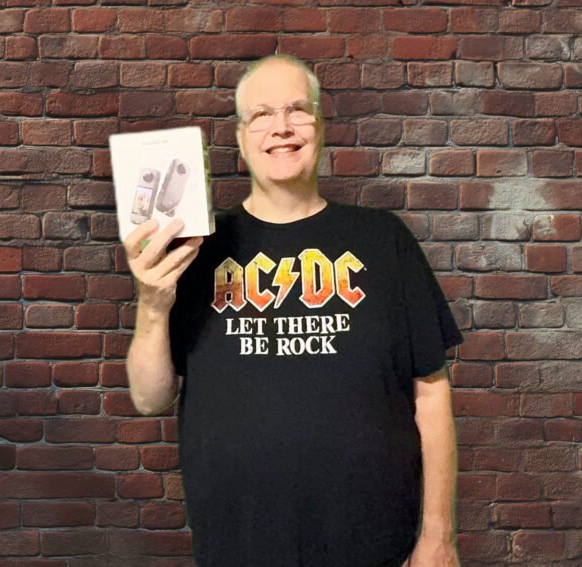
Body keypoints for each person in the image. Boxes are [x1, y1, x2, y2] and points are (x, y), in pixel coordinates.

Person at [123, 54, 464, 567]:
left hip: (373, 547)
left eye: (297, 110)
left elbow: (432, 396)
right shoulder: (195, 248)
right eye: (261, 114)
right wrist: (152, 303)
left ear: (321, 126)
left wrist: (439, 538)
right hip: (238, 548)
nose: (281, 127)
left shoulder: (383, 239)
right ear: (240, 139)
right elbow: (150, 399)